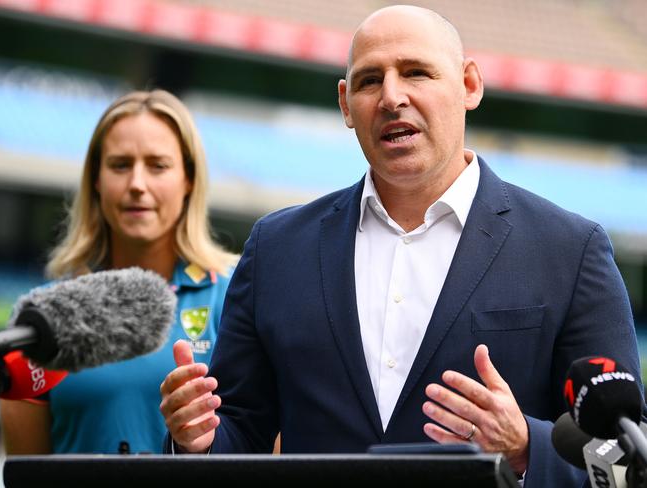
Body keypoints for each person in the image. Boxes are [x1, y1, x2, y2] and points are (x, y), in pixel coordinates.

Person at [159, 6, 641, 487]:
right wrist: (195, 441)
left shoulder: (570, 250)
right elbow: (239, 435)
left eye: (416, 72)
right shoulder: (276, 250)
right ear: (346, 105)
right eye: (370, 81)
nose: (392, 97)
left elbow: (627, 461)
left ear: (469, 84)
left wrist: (525, 447)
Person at [0, 89, 237, 454]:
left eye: (157, 165)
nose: (137, 185)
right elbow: (25, 471)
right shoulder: (43, 320)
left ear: (189, 179)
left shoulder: (238, 299)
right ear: (96, 179)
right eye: (120, 165)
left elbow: (273, 453)